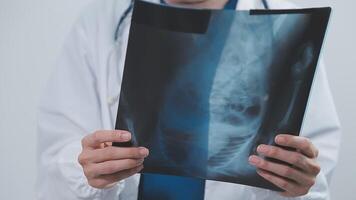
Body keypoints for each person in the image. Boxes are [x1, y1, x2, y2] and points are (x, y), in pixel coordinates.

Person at [37, 0, 341, 199]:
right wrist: (85, 168)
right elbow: (58, 152)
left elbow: (316, 165)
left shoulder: (291, 28)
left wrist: (296, 186)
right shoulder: (102, 23)